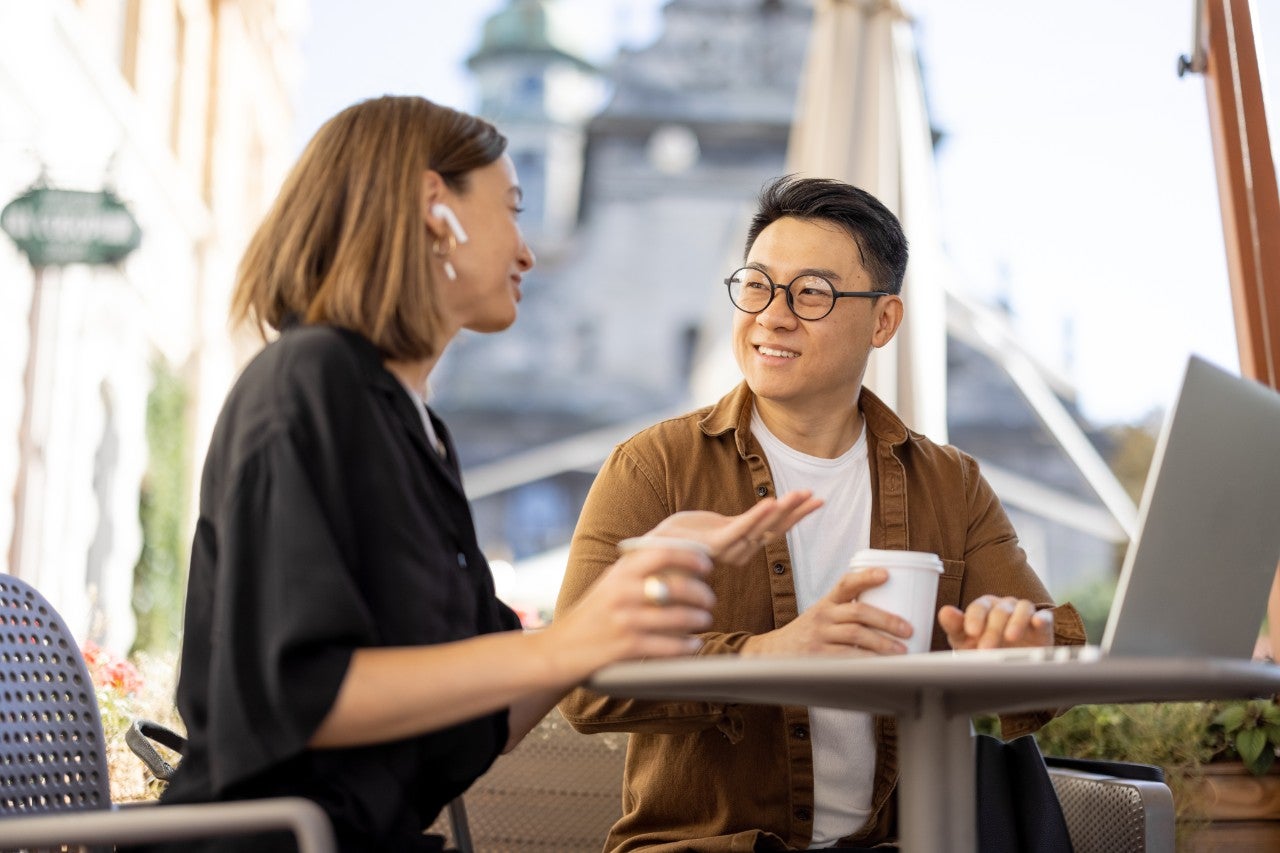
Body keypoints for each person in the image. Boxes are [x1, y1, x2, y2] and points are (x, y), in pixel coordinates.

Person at [146, 97, 822, 853]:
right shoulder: (312, 382)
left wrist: (644, 571)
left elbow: (491, 719)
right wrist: (564, 647)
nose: (528, 251)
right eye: (512, 207)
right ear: (439, 210)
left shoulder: (412, 426)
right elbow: (299, 695)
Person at [556, 176, 1087, 852]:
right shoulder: (654, 466)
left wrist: (1020, 647)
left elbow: (1056, 660)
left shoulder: (951, 483)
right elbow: (580, 685)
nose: (773, 315)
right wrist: (766, 657)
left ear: (883, 320)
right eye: (756, 285)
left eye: (812, 293)